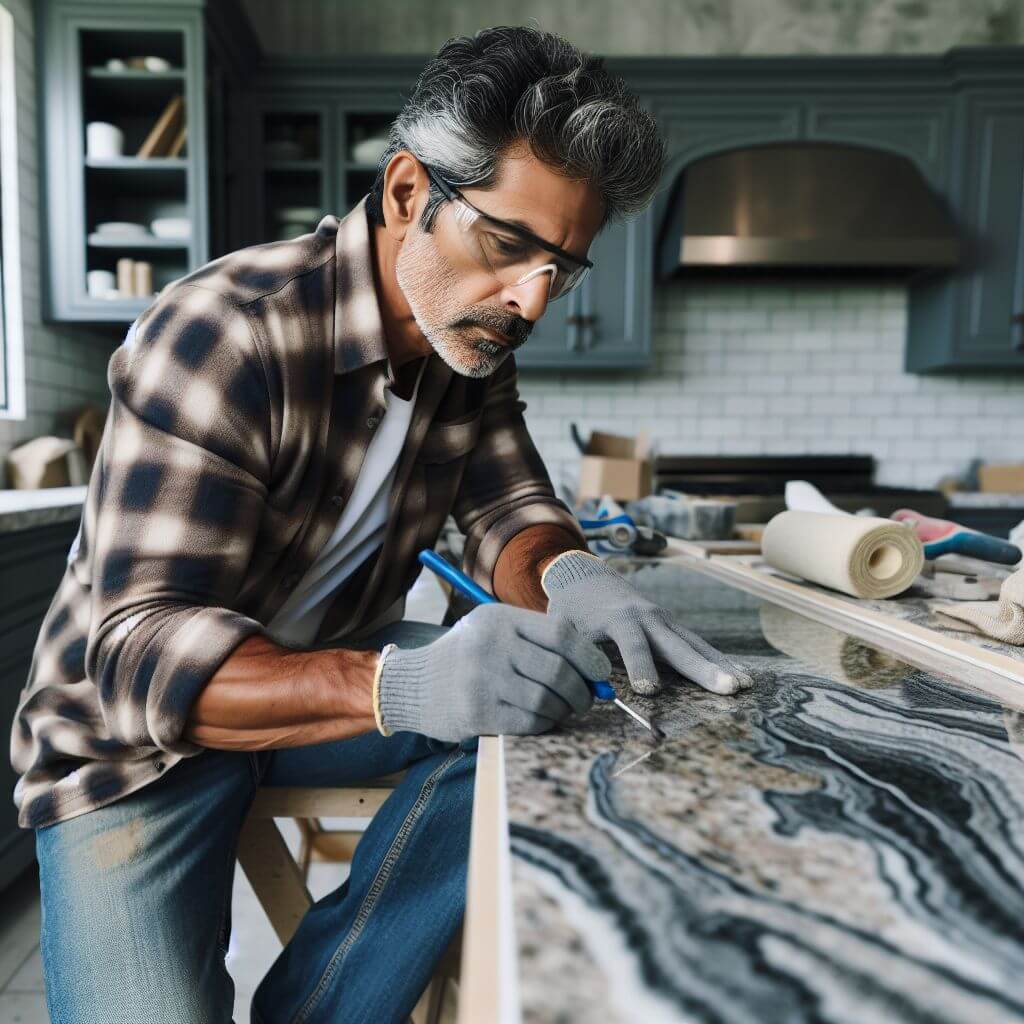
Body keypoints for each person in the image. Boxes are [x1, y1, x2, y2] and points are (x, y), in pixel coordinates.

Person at [9, 25, 751, 1024]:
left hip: (325, 677)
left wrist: (574, 574)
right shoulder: (225, 333)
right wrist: (406, 683)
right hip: (138, 737)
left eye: (561, 269)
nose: (530, 300)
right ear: (408, 193)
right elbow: (141, 658)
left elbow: (510, 511)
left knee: (551, 718)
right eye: (506, 245)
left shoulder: (468, 339)